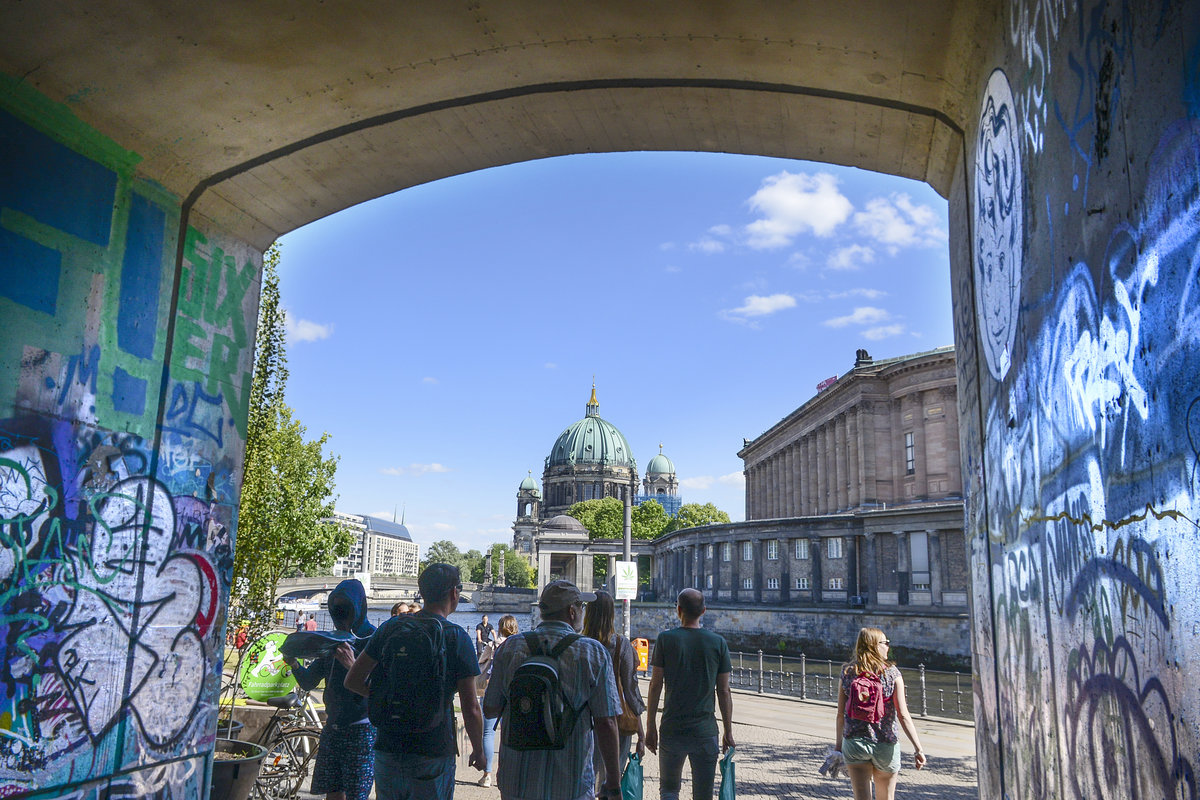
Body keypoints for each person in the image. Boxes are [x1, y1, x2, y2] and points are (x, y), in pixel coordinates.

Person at [344, 564, 485, 800]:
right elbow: (471, 707)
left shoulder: (391, 627)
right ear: (454, 593)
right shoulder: (457, 636)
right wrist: (479, 751)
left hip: (389, 744)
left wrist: (386, 694)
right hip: (432, 747)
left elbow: (353, 680)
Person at [482, 580, 622, 800]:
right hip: (570, 781)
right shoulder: (592, 651)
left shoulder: (510, 647)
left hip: (516, 780)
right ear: (572, 612)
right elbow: (607, 721)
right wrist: (612, 783)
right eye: (581, 607)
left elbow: (490, 709)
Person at [283, 579, 377, 800]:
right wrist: (293, 662)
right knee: (332, 793)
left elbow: (381, 690)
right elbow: (308, 682)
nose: (342, 618)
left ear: (359, 608)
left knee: (356, 795)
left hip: (362, 731)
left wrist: (351, 664)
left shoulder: (374, 639)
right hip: (333, 728)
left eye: (346, 610)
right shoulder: (331, 640)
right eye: (337, 611)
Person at [645, 588, 734, 800]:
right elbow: (724, 691)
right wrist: (728, 731)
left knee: (668, 791)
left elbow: (655, 686)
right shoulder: (718, 642)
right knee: (703, 795)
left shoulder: (666, 639)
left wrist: (650, 727)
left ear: (678, 610)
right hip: (705, 730)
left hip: (672, 728)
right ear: (703, 611)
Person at [835, 627, 926, 800]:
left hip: (855, 743)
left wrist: (839, 745)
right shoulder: (892, 674)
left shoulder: (848, 673)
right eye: (885, 643)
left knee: (861, 797)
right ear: (875, 646)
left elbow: (840, 714)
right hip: (886, 744)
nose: (888, 647)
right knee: (886, 797)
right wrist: (918, 748)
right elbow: (903, 715)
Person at [583, 591, 645, 788]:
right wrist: (642, 733)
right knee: (612, 779)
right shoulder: (620, 644)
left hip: (584, 721)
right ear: (611, 614)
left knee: (585, 779)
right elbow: (631, 691)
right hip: (617, 721)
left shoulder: (579, 643)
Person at [475, 614, 518, 787]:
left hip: (491, 689)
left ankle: (487, 774)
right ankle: (509, 774)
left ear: (500, 628)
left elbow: (481, 662)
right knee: (511, 733)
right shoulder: (521, 646)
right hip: (513, 691)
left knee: (488, 733)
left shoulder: (493, 645)